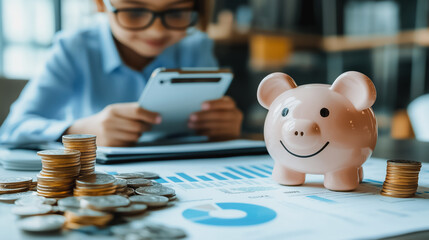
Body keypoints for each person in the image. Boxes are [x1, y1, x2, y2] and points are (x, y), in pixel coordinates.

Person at [0, 0, 243, 147]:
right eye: (135, 12)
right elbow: (13, 130)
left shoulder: (196, 45)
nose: (156, 31)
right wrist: (80, 130)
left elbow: (209, 126)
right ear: (101, 4)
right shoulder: (73, 47)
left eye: (176, 13)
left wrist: (224, 126)